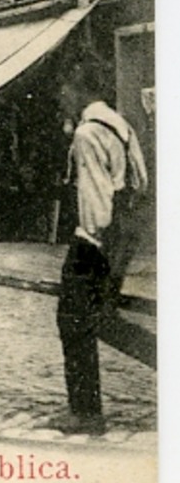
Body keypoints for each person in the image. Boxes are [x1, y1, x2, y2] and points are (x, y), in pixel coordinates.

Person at [52, 64, 151, 436]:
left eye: (64, 88)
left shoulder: (87, 133)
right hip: (123, 240)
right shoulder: (120, 125)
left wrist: (89, 244)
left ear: (79, 89)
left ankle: (86, 412)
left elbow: (96, 202)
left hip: (94, 241)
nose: (61, 96)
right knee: (104, 321)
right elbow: (140, 181)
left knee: (72, 320)